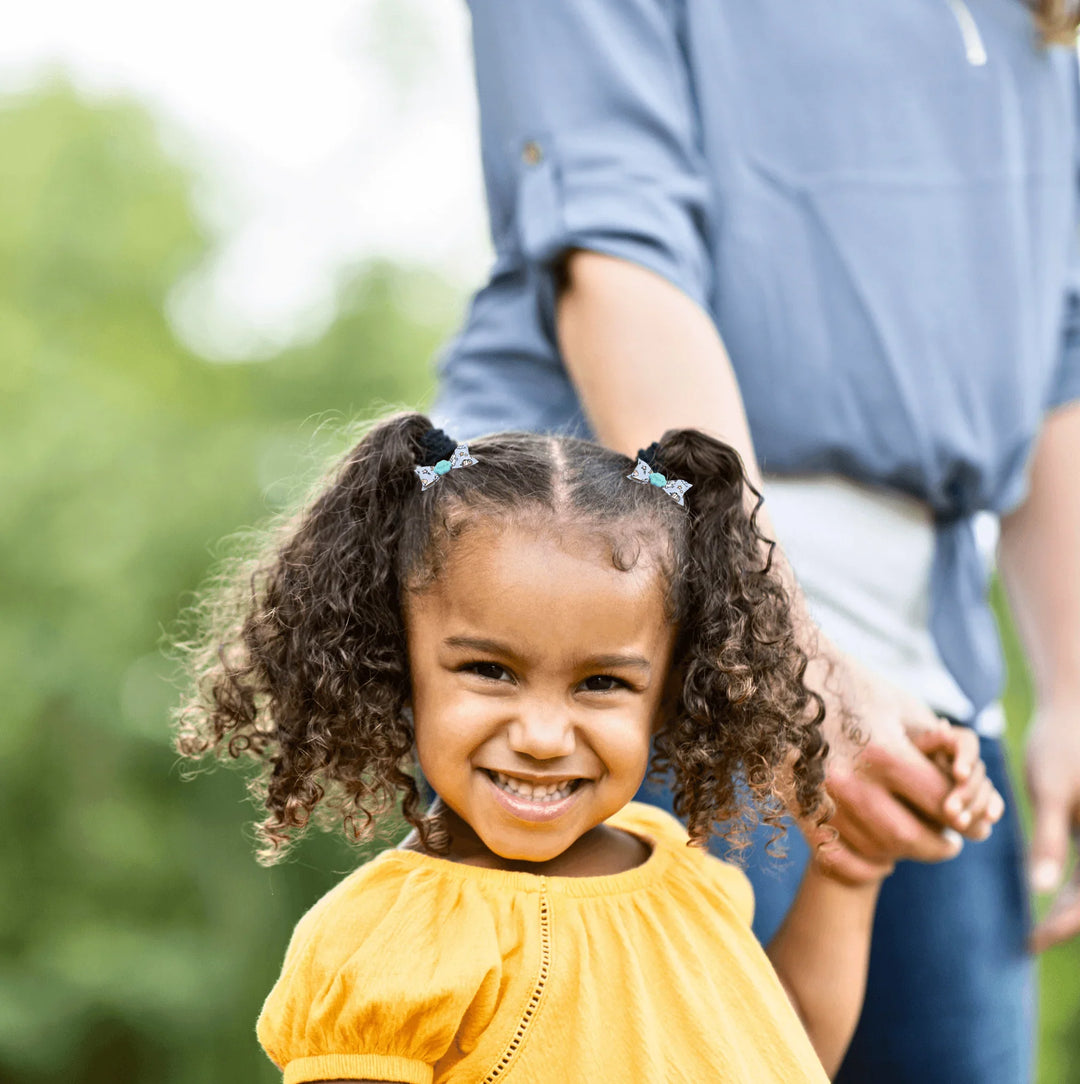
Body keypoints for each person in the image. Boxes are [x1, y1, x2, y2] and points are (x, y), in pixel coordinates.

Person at [432, 2, 1080, 1081]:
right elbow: (616, 253)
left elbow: (1059, 342)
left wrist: (1071, 684)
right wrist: (785, 654)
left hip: (934, 671)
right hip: (641, 627)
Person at [176, 413, 998, 1083]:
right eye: (490, 670)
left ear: (673, 690)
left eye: (601, 684)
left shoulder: (683, 875)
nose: (540, 737)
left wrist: (848, 870)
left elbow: (782, 1049)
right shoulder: (388, 942)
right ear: (395, 665)